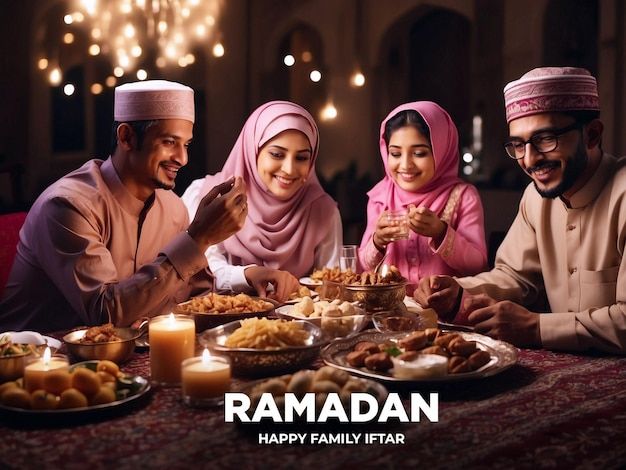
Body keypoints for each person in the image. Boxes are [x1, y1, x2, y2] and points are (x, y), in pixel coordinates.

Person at [0, 80, 247, 332]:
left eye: (186, 144)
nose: (182, 158)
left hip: (130, 359)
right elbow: (105, 314)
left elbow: (196, 300)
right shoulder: (67, 206)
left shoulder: (174, 209)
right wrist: (198, 239)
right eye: (169, 142)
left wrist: (248, 278)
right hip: (35, 361)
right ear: (126, 137)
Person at [415, 67, 626, 354]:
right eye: (518, 144)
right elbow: (516, 278)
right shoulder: (536, 197)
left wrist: (536, 327)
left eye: (545, 139)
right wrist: (456, 292)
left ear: (591, 134)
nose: (529, 160)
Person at [182, 101, 342, 301]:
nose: (289, 169)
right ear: (253, 150)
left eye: (301, 158)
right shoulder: (207, 197)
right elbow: (195, 270)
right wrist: (247, 275)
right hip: (218, 327)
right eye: (277, 154)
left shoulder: (323, 211)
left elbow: (332, 287)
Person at [359, 101, 487, 294]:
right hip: (391, 314)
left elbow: (477, 265)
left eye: (419, 153)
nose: (405, 164)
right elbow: (364, 265)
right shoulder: (381, 197)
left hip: (444, 315)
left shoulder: (463, 197)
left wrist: (441, 232)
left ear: (441, 149)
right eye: (395, 153)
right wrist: (378, 241)